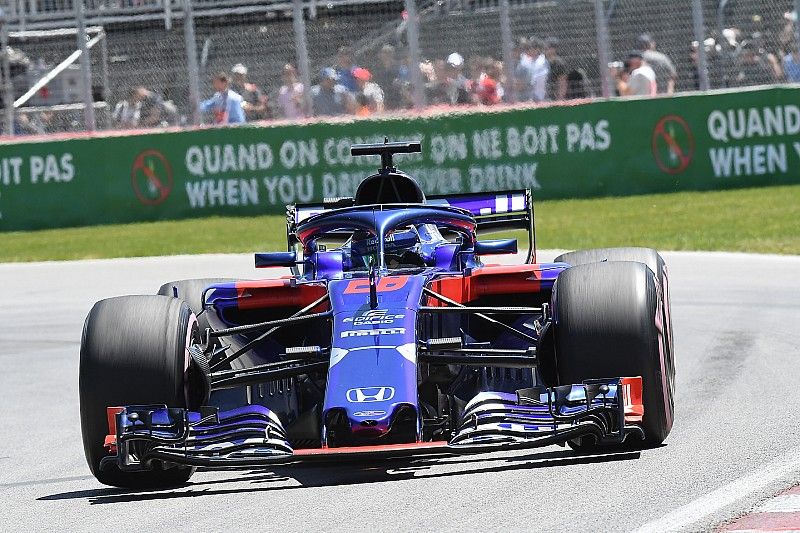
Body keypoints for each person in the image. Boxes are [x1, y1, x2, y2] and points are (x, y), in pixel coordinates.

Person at [372, 44, 407, 110]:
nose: (386, 55)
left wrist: (399, 81)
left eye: (388, 52)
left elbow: (403, 76)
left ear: (392, 54)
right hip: (381, 93)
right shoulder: (377, 67)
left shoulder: (398, 66)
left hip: (396, 94)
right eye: (384, 52)